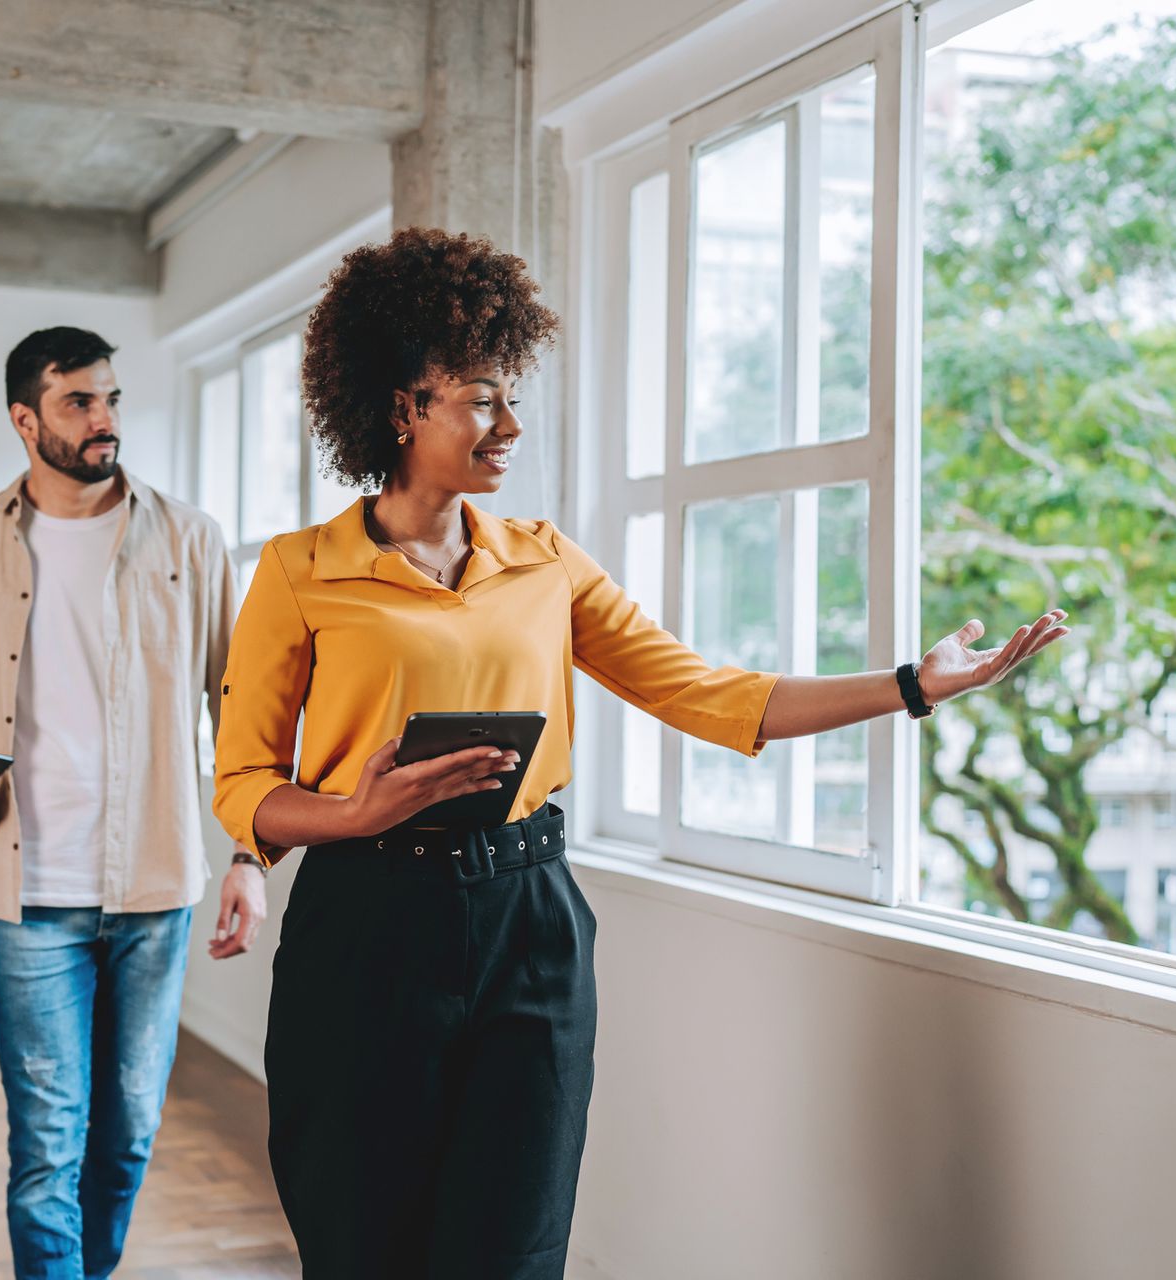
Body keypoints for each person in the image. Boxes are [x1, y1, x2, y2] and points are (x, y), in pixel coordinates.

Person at [211, 227, 1071, 1280]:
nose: (510, 423)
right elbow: (246, 784)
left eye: (510, 392)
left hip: (528, 917)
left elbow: (707, 692)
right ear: (402, 403)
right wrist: (352, 813)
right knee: (363, 1243)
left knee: (513, 1250)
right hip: (365, 926)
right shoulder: (302, 572)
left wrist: (906, 685)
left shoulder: (543, 563)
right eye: (483, 396)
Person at [0, 326, 264, 1279]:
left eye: (111, 397)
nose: (105, 419)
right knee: (47, 1150)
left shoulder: (189, 538)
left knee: (126, 1140)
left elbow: (237, 709)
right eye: (79, 402)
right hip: (29, 895)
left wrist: (249, 856)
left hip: (156, 887)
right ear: (25, 419)